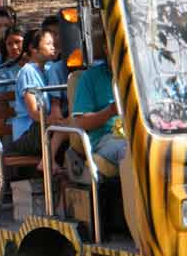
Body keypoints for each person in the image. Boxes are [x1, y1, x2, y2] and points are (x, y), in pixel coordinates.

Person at [9, 28, 66, 168]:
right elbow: (34, 112)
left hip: (44, 127)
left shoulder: (49, 69)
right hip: (28, 133)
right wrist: (54, 121)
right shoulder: (28, 72)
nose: (53, 47)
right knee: (65, 125)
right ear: (33, 49)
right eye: (48, 44)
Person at [72, 26, 127, 167]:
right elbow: (81, 122)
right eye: (115, 44)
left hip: (141, 134)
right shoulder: (90, 77)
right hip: (108, 138)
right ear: (106, 48)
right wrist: (110, 111)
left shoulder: (140, 75)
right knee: (131, 152)